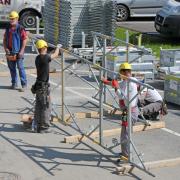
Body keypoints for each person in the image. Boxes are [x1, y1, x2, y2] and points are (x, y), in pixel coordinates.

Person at [102, 62, 139, 161]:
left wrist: (116, 88)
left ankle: (127, 156)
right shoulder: (126, 81)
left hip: (131, 111)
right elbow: (118, 84)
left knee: (126, 133)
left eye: (127, 71)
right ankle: (125, 153)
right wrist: (106, 82)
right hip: (126, 112)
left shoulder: (131, 84)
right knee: (124, 132)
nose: (126, 73)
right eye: (125, 72)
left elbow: (122, 97)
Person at [31, 39, 61, 133]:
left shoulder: (38, 58)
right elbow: (55, 55)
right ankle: (44, 127)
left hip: (38, 86)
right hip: (44, 87)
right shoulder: (45, 58)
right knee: (46, 107)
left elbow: (48, 56)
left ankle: (37, 125)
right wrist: (58, 48)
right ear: (44, 48)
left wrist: (51, 51)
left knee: (39, 106)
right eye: (46, 47)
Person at [3, 11, 27, 91]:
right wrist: (6, 49)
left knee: (20, 68)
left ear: (17, 19)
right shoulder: (8, 27)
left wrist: (22, 51)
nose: (11, 20)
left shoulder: (20, 28)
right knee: (12, 68)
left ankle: (24, 84)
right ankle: (14, 83)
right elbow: (4, 39)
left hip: (18, 52)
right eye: (10, 19)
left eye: (13, 19)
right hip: (10, 52)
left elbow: (24, 39)